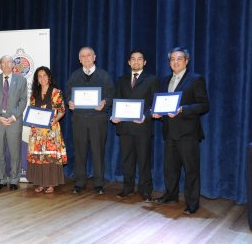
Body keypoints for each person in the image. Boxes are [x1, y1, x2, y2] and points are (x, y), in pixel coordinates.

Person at [152, 47, 209, 215]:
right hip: (169, 131)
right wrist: (157, 113)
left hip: (188, 133)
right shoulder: (165, 80)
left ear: (186, 61)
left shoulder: (195, 79)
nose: (175, 62)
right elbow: (162, 104)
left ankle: (192, 204)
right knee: (170, 168)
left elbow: (204, 105)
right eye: (172, 59)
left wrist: (183, 109)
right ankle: (170, 195)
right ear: (169, 62)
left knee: (191, 169)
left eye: (179, 59)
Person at [111, 50, 159, 201]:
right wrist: (114, 115)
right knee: (127, 159)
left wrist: (146, 116)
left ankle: (145, 190)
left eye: (139, 59)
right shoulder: (121, 79)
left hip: (142, 126)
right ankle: (128, 187)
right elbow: (116, 100)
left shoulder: (152, 79)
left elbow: (155, 104)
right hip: (125, 127)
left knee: (144, 160)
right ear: (129, 62)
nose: (136, 62)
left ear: (144, 62)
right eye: (133, 59)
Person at [66, 47, 115, 194]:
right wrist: (69, 102)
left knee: (98, 151)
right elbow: (67, 94)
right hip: (79, 120)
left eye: (89, 55)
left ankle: (99, 183)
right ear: (79, 59)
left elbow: (111, 95)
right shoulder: (74, 76)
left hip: (97, 120)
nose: (86, 58)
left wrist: (104, 102)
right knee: (80, 152)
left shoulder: (104, 75)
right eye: (83, 56)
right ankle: (80, 182)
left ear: (95, 57)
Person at [0, 55, 27, 191]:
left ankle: (14, 179)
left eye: (8, 62)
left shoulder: (21, 80)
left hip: (14, 121)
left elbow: (23, 101)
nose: (5, 65)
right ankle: (1, 179)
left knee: (15, 153)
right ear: (0, 65)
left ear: (13, 65)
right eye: (3, 62)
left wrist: (13, 117)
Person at [27, 66, 67, 194]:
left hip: (51, 130)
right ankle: (39, 183)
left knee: (49, 156)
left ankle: (50, 183)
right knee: (39, 157)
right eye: (39, 76)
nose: (42, 78)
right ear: (37, 79)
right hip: (37, 132)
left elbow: (61, 110)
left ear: (49, 77)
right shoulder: (34, 94)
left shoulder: (56, 92)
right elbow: (31, 111)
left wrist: (55, 120)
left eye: (45, 75)